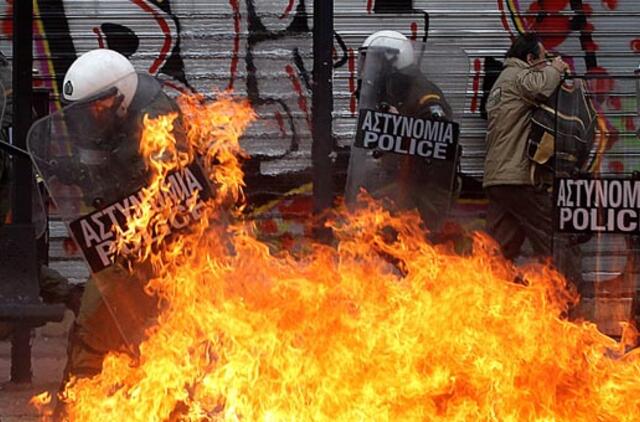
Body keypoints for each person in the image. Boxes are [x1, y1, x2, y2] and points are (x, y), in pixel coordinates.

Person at [53, 48, 184, 384]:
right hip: (125, 236)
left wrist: (96, 177)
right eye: (86, 109)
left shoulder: (156, 122)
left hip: (169, 238)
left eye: (97, 105)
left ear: (119, 96)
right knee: (99, 320)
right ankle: (80, 397)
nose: (91, 115)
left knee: (168, 325)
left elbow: (158, 185)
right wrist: (75, 171)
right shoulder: (109, 119)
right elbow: (105, 172)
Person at [483, 32, 582, 286]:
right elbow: (541, 86)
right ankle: (568, 303)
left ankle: (488, 302)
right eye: (543, 58)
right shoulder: (519, 77)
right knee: (556, 238)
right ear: (529, 58)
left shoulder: (501, 83)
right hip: (519, 179)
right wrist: (557, 68)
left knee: (498, 250)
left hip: (498, 179)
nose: (547, 63)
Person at [347, 30, 460, 235]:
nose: (366, 69)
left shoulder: (424, 95)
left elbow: (436, 143)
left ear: (392, 61)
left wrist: (400, 125)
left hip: (425, 193)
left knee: (416, 248)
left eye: (373, 61)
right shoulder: (393, 92)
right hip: (401, 185)